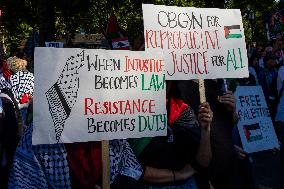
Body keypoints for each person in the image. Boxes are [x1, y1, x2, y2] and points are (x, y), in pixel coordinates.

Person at [129, 80, 213, 189]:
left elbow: (202, 163)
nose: (159, 84)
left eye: (166, 81)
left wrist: (206, 130)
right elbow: (130, 168)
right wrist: (178, 175)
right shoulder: (130, 114)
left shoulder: (183, 111)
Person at [178, 79, 240, 189]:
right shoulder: (184, 87)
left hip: (230, 171)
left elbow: (228, 125)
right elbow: (186, 136)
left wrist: (232, 111)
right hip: (207, 174)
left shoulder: (220, 86)